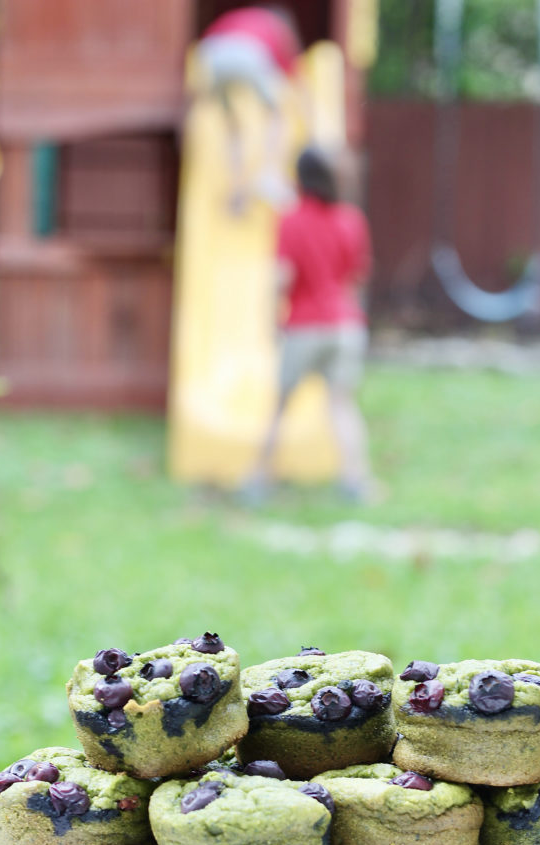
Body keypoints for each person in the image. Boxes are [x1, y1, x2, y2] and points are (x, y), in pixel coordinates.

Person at [246, 146, 377, 502]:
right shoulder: (352, 220)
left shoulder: (291, 220)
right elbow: (356, 276)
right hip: (347, 326)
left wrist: (272, 320)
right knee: (342, 405)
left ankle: (258, 478)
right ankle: (355, 480)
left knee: (280, 405)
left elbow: (282, 278)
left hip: (305, 326)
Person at [196, 5, 302, 212]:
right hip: (248, 53)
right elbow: (293, 72)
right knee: (277, 112)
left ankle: (235, 190)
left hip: (210, 56)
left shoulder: (241, 17)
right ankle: (269, 174)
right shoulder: (278, 26)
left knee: (232, 126)